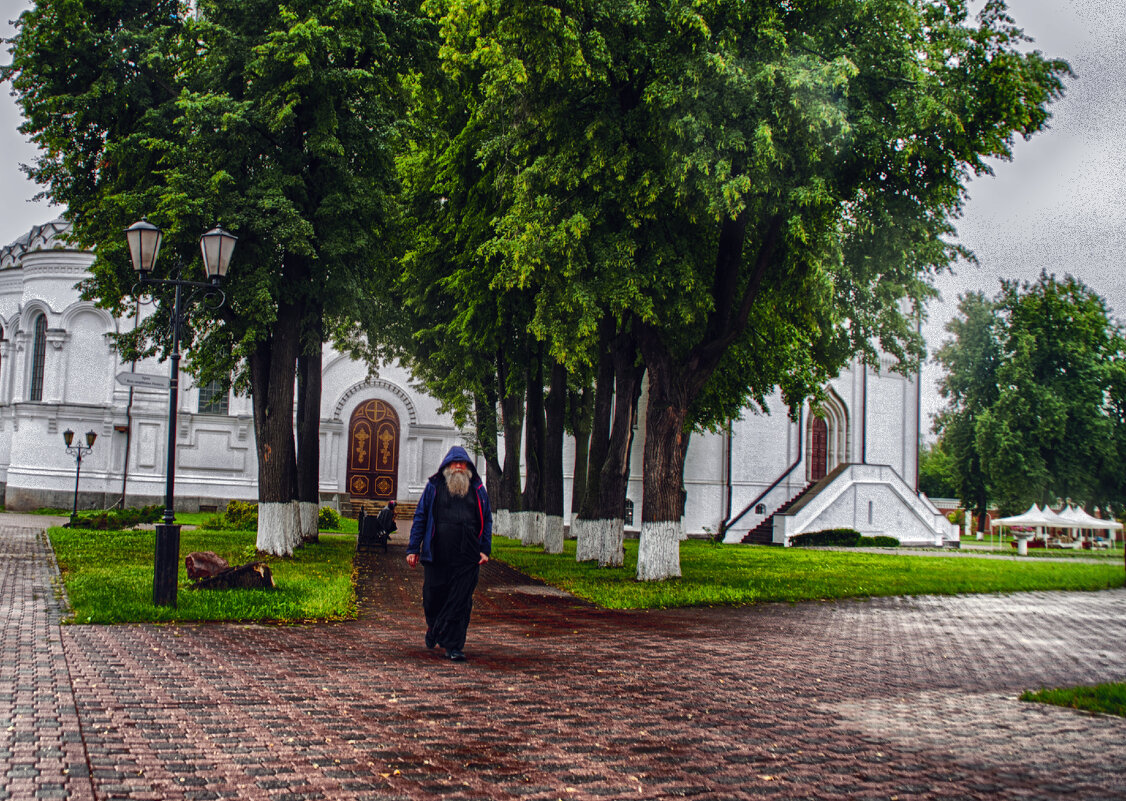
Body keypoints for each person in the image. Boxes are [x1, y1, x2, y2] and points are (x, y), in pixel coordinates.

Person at [406, 446, 492, 661]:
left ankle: (454, 646)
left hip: (468, 555)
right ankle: (434, 628)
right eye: (454, 463)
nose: (458, 467)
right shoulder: (434, 487)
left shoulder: (478, 489)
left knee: (461, 601)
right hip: (438, 554)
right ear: (446, 467)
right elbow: (421, 516)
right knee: (432, 597)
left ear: (468, 468)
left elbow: (487, 520)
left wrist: (485, 549)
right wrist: (413, 548)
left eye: (462, 464)